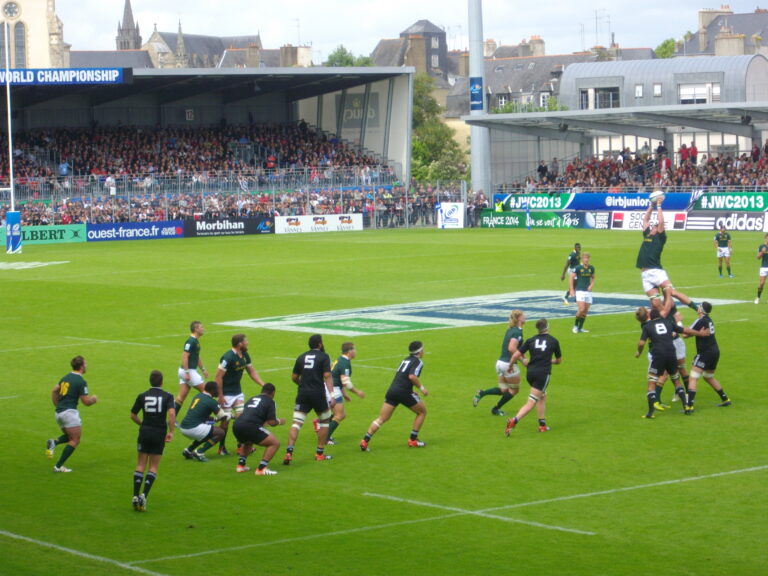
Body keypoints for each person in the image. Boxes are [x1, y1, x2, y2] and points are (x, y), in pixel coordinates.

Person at [634, 307, 700, 419]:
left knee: (651, 382)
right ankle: (686, 406)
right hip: (671, 353)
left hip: (658, 355)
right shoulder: (666, 322)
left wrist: (638, 352)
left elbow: (641, 343)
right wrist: (700, 333)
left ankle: (650, 413)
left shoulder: (646, 326)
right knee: (676, 380)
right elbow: (684, 330)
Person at [361, 341, 428, 451]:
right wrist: (422, 388)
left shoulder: (405, 359)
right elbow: (411, 376)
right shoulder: (418, 362)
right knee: (422, 412)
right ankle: (413, 440)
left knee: (382, 418)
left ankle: (365, 441)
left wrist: (411, 390)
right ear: (419, 351)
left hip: (392, 390)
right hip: (403, 392)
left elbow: (402, 376)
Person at [635, 197, 698, 314]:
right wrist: (651, 205)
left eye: (655, 226)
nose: (652, 227)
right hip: (644, 274)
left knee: (672, 293)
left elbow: (661, 222)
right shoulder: (647, 235)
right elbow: (645, 220)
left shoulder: (660, 237)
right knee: (655, 303)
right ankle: (670, 321)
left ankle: (696, 308)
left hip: (656, 271)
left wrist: (659, 206)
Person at [283, 334, 335, 464]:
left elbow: (294, 377)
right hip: (318, 394)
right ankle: (319, 453)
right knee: (325, 421)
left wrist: (303, 385)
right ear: (319, 344)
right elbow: (327, 376)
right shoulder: (324, 356)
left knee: (296, 423)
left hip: (303, 394)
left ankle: (289, 452)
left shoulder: (301, 357)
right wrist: (333, 395)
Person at [504, 319, 562, 435]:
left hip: (530, 373)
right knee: (531, 402)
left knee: (542, 396)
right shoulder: (553, 341)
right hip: (542, 374)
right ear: (547, 327)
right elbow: (559, 361)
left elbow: (516, 354)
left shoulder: (531, 340)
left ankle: (542, 425)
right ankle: (514, 420)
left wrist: (510, 366)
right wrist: (549, 361)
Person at [130, 370, 176, 512]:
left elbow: (132, 415)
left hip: (144, 432)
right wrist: (171, 431)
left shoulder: (142, 396)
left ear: (150, 381)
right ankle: (144, 494)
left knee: (140, 464)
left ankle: (135, 495)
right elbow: (172, 414)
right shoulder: (168, 396)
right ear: (162, 382)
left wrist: (142, 424)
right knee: (153, 466)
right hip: (159, 433)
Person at [214, 334, 265, 455]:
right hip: (225, 394)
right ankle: (221, 447)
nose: (247, 343)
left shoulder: (245, 355)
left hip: (237, 393)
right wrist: (220, 396)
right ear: (239, 344)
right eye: (245, 341)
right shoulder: (227, 357)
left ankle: (241, 446)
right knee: (225, 422)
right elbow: (218, 377)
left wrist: (263, 385)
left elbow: (251, 372)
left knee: (241, 418)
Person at [46, 356, 98, 473]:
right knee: (75, 440)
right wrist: (93, 400)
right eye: (85, 364)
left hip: (59, 413)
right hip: (69, 413)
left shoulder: (65, 377)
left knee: (70, 437)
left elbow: (54, 390)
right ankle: (58, 466)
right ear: (81, 367)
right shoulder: (81, 381)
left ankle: (54, 442)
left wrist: (57, 405)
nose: (86, 366)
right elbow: (86, 402)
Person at [473, 310, 525, 416]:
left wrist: (523, 355)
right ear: (519, 318)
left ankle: (482, 393)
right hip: (508, 365)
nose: (525, 317)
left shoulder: (511, 329)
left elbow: (516, 348)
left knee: (503, 389)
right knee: (514, 391)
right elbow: (511, 348)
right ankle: (495, 409)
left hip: (500, 363)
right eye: (523, 315)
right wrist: (522, 359)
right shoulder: (517, 332)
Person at [684, 302, 731, 413]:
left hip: (705, 353)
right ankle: (725, 399)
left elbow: (685, 334)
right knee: (708, 377)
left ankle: (689, 406)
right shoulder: (708, 320)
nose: (698, 307)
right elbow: (694, 332)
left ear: (701, 310)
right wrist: (697, 333)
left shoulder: (700, 320)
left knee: (693, 377)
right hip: (715, 351)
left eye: (699, 306)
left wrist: (679, 324)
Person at [232, 383, 285, 476]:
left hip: (237, 425)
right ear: (273, 393)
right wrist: (280, 421)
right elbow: (272, 422)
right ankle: (261, 469)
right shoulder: (270, 402)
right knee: (274, 443)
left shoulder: (252, 398)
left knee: (248, 442)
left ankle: (240, 466)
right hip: (250, 426)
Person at [322, 342, 365, 444]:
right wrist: (357, 392)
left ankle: (322, 427)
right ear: (350, 351)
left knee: (341, 414)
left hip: (330, 388)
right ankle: (325, 437)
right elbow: (346, 382)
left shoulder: (339, 359)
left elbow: (337, 378)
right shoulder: (345, 363)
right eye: (354, 349)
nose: (355, 351)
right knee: (339, 415)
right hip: (333, 390)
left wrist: (344, 394)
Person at [179, 381, 231, 462]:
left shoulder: (198, 396)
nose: (219, 391)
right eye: (217, 389)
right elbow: (223, 417)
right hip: (193, 428)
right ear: (212, 390)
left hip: (184, 427)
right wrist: (231, 415)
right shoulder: (211, 401)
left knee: (207, 432)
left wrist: (214, 419)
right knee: (220, 432)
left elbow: (202, 414)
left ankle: (188, 451)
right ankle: (200, 452)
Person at [174, 321, 209, 415]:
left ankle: (171, 420)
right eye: (201, 327)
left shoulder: (195, 341)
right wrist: (187, 372)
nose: (203, 329)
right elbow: (184, 356)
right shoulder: (191, 341)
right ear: (196, 329)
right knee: (207, 392)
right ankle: (200, 416)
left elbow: (197, 357)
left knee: (181, 398)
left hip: (186, 371)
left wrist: (203, 369)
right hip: (188, 371)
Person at [570, 252, 595, 333]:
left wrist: (591, 285)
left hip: (588, 292)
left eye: (587, 258)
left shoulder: (591, 268)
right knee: (581, 309)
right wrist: (571, 289)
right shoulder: (577, 268)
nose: (586, 260)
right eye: (585, 258)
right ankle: (575, 326)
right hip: (580, 291)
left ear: (589, 259)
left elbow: (593, 277)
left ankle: (580, 328)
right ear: (582, 259)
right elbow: (571, 278)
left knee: (586, 311)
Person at [756, 234, 768, 304]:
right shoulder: (761, 246)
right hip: (764, 267)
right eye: (767, 238)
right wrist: (762, 252)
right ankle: (758, 297)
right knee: (761, 283)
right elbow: (758, 257)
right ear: (765, 238)